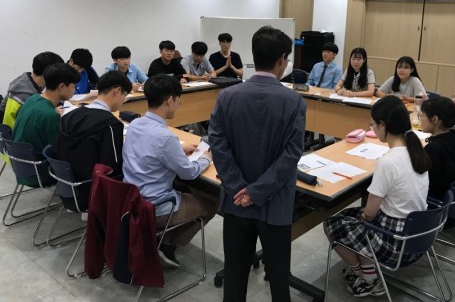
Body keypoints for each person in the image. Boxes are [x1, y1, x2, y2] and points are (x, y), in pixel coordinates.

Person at [208, 26, 306, 302]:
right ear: (282, 60)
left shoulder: (227, 96)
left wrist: (239, 187)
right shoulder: (294, 101)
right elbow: (292, 153)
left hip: (235, 201)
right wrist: (257, 191)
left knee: (235, 274)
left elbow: (217, 143)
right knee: (279, 278)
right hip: (275, 204)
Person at [323, 95, 431, 298]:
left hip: (396, 240)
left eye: (372, 124)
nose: (371, 128)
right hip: (419, 233)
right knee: (352, 217)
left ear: (383, 125)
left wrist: (363, 217)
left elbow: (370, 214)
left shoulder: (388, 162)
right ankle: (367, 271)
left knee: (332, 224)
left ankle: (367, 277)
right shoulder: (417, 152)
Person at [122, 75, 217, 268]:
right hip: (155, 206)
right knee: (211, 205)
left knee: (189, 190)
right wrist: (206, 158)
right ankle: (167, 244)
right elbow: (188, 173)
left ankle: (163, 239)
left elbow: (149, 150)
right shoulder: (165, 137)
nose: (179, 104)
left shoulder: (136, 124)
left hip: (132, 198)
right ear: (170, 100)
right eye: (178, 99)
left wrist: (178, 150)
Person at [56, 71, 132, 208]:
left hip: (67, 186)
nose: (123, 101)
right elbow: (113, 166)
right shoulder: (110, 124)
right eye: (124, 96)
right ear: (117, 91)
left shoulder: (69, 116)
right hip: (93, 191)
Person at [13, 63, 80, 160]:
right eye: (74, 86)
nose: (75, 89)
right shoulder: (50, 115)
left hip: (21, 162)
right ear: (62, 86)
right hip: (40, 166)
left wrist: (53, 111)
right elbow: (57, 150)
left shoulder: (33, 98)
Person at [420, 97, 455, 200]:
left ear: (435, 119)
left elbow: (426, 185)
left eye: (422, 115)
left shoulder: (434, 149)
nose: (420, 119)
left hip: (439, 201)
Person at [1, 51, 64, 128]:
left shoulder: (22, 83)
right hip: (15, 133)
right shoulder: (26, 96)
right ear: (49, 73)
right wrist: (53, 112)